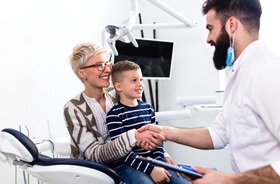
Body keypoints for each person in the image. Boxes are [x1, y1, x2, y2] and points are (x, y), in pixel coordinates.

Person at [138, 0, 280, 183]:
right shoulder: (239, 73)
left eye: (210, 28)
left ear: (231, 25)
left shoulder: (266, 72)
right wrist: (165, 131)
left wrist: (229, 180)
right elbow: (218, 134)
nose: (208, 38)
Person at [63, 43, 165, 167]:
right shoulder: (73, 108)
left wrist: (164, 156)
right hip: (94, 172)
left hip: (129, 163)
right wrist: (134, 136)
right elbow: (95, 155)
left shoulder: (117, 92)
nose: (107, 70)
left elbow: (143, 124)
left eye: (107, 64)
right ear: (82, 73)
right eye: (99, 65)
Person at [106, 60, 189, 184]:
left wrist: (160, 164)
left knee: (182, 182)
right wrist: (151, 170)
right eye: (134, 80)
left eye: (141, 79)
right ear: (118, 86)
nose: (140, 84)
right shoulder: (114, 115)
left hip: (152, 161)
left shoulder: (148, 109)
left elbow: (158, 142)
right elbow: (123, 154)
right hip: (127, 164)